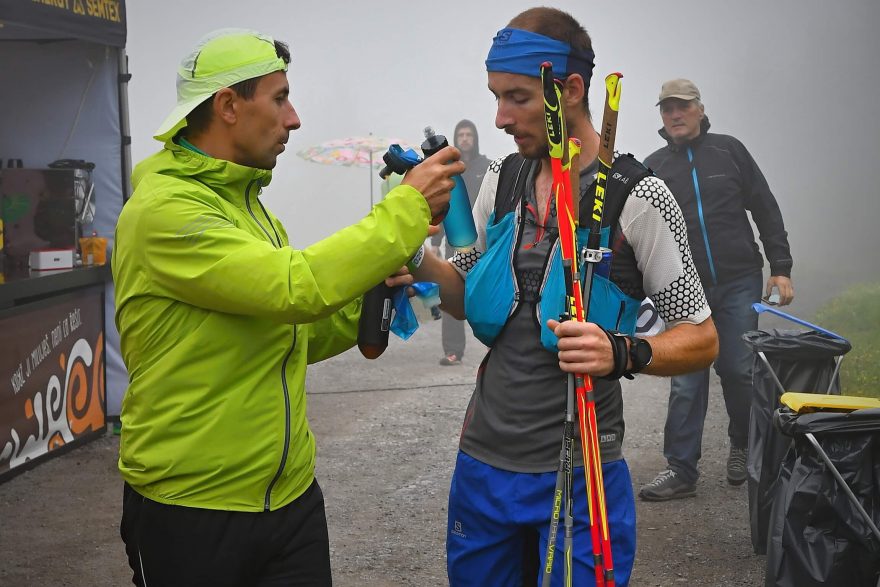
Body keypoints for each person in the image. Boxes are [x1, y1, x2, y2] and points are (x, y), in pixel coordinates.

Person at [111, 28, 462, 586]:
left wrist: (360, 307)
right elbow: (296, 287)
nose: (294, 119)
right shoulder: (164, 213)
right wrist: (407, 207)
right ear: (228, 105)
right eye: (280, 98)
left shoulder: (253, 211)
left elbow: (288, 330)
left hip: (291, 499)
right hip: (193, 506)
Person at [406, 8, 718, 585]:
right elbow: (464, 290)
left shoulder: (638, 196)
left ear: (571, 90)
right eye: (496, 97)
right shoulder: (505, 180)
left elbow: (701, 337)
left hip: (582, 468)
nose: (499, 117)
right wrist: (411, 258)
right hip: (483, 460)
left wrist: (622, 352)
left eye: (518, 98)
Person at [639, 78, 794, 501]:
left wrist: (781, 268)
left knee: (739, 370)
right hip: (683, 288)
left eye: (683, 107)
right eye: (667, 109)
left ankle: (743, 445)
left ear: (700, 109)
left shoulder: (730, 150)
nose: (675, 115)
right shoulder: (653, 168)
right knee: (687, 380)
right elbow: (640, 234)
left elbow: (765, 206)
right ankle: (681, 469)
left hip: (739, 278)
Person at [430, 119, 491, 366]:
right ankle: (453, 350)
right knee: (451, 292)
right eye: (461, 135)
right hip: (456, 243)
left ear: (475, 138)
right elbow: (443, 205)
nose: (465, 139)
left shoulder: (486, 167)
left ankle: (495, 346)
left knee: (490, 293)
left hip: (485, 242)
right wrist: (435, 241)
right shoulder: (448, 169)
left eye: (469, 135)